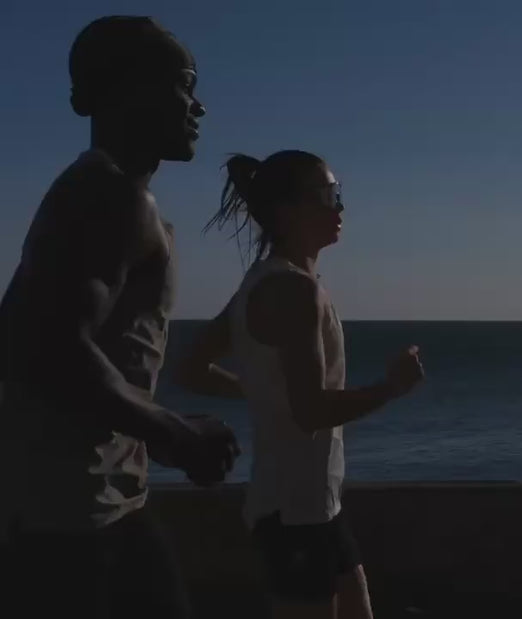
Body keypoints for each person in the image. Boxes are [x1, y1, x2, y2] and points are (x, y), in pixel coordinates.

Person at [0, 16, 241, 619]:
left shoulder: (96, 195)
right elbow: (50, 348)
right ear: (120, 91)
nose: (198, 106)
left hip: (95, 502)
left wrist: (159, 427)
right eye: (183, 84)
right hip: (71, 517)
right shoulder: (108, 197)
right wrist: (175, 433)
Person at [177, 150, 424, 619]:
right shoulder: (293, 290)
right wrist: (391, 387)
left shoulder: (262, 282)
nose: (340, 206)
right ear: (288, 211)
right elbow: (311, 412)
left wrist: (262, 391)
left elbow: (191, 369)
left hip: (311, 505)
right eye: (328, 195)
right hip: (294, 513)